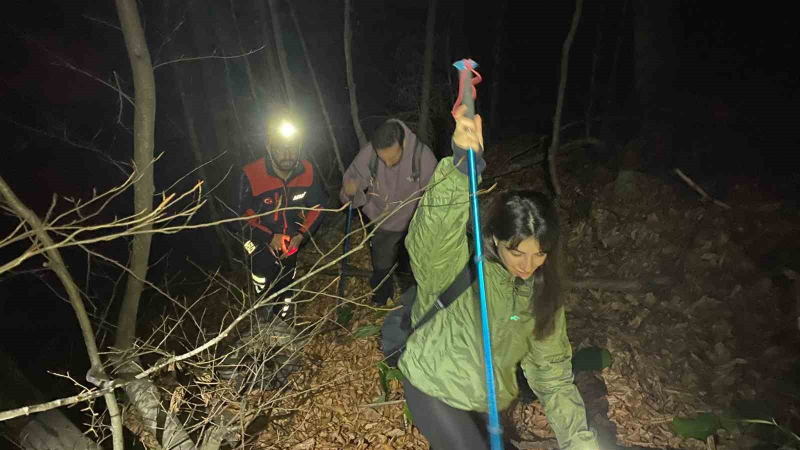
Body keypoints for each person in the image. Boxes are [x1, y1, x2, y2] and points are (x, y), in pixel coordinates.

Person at [398, 105, 599, 450]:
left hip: (484, 403)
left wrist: (580, 442)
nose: (528, 265)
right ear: (494, 239)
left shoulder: (541, 294)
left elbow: (552, 377)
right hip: (432, 385)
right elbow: (431, 233)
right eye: (517, 252)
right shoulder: (457, 266)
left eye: (540, 254)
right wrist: (460, 169)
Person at [340, 120, 437, 306]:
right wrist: (350, 191)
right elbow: (350, 188)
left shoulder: (423, 157)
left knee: (412, 265)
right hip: (381, 219)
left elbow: (435, 196)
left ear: (403, 144)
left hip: (413, 221)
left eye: (392, 158)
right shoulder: (369, 153)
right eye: (382, 158)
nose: (387, 163)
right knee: (381, 264)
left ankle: (413, 303)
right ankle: (382, 300)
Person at [239, 117, 326, 321]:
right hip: (256, 236)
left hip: (291, 237)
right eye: (280, 149)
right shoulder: (251, 173)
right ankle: (262, 309)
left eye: (292, 148)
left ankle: (283, 319)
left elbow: (319, 206)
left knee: (287, 279)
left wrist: (301, 235)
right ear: (269, 149)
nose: (287, 154)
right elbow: (239, 214)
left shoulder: (307, 171)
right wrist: (269, 237)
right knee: (261, 270)